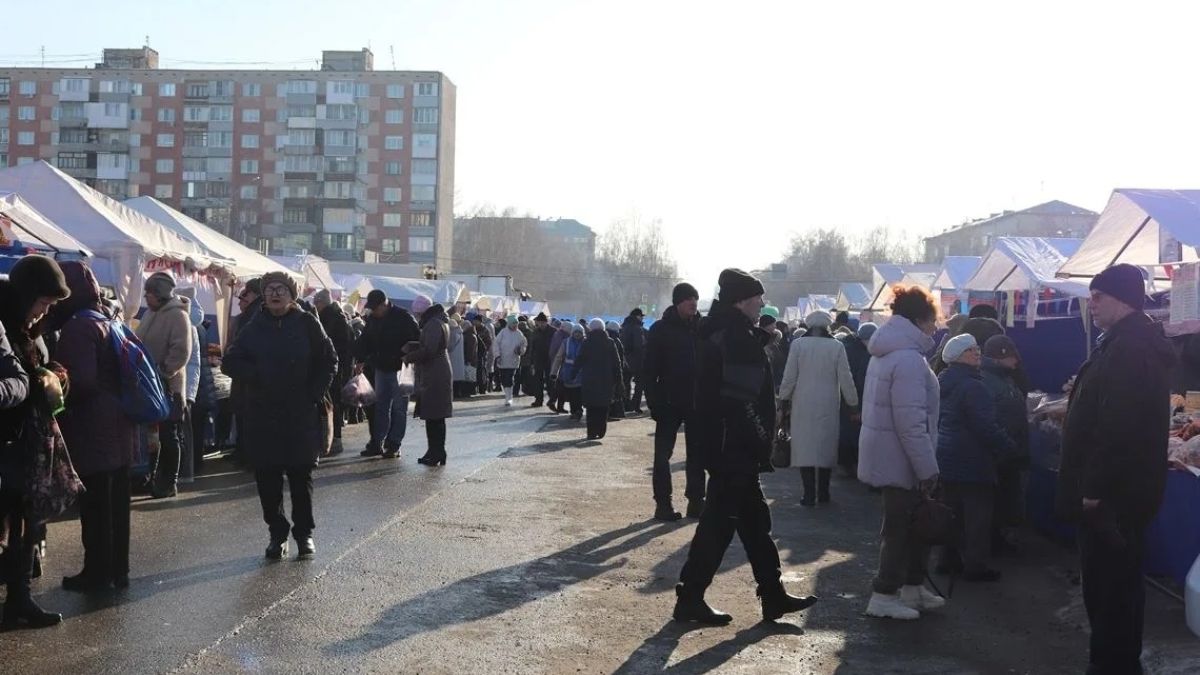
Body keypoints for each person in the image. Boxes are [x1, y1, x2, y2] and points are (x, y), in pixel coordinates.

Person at [673, 269, 817, 626]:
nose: (762, 305)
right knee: (719, 526)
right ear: (741, 301)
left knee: (754, 524)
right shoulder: (736, 338)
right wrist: (760, 440)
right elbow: (741, 401)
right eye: (757, 300)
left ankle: (772, 593)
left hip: (728, 445)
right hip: (734, 448)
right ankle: (691, 597)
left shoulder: (725, 332)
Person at [1057, 264, 1173, 675]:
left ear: (1121, 299)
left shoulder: (1130, 349)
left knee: (1111, 588)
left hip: (1113, 498)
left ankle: (1112, 665)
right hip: (1120, 493)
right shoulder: (1122, 344)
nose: (1091, 304)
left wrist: (1094, 488)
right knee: (1114, 586)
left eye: (1098, 297)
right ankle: (1116, 661)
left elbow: (1118, 427)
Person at [221, 272, 336, 560]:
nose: (274, 293)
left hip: (299, 413)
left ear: (292, 295)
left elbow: (329, 360)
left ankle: (304, 534)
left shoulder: (307, 322)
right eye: (270, 289)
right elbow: (230, 361)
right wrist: (256, 375)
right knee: (267, 478)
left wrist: (313, 393)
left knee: (301, 476)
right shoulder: (254, 324)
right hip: (263, 413)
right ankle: (277, 532)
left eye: (281, 289)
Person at [858, 285, 945, 621]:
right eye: (933, 320)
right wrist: (927, 468)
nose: (935, 327)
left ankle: (911, 586)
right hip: (902, 458)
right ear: (919, 320)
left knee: (911, 525)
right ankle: (884, 594)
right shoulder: (908, 358)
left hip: (892, 454)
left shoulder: (891, 352)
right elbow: (911, 422)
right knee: (900, 529)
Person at [49, 261, 137, 592]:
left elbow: (81, 381)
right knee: (118, 505)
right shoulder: (107, 319)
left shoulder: (78, 327)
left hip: (93, 428)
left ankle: (97, 573)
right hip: (119, 424)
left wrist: (55, 382)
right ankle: (118, 570)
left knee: (96, 506)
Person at [0, 255, 70, 628]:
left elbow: (31, 374)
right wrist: (36, 382)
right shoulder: (6, 325)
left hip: (26, 441)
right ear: (27, 295)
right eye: (42, 302)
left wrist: (54, 377)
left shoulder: (30, 330)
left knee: (25, 522)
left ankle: (20, 598)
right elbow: (19, 379)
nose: (44, 311)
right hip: (8, 440)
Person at [934, 333, 1017, 582]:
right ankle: (975, 565)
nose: (977, 353)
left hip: (947, 453)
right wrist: (1008, 446)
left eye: (976, 349)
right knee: (977, 516)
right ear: (959, 357)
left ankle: (947, 559)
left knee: (952, 511)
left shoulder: (944, 381)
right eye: (971, 350)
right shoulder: (974, 387)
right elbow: (985, 426)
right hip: (973, 457)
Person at [778, 310, 859, 506]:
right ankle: (823, 492)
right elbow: (846, 377)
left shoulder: (798, 345)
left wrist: (784, 398)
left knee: (805, 447)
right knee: (825, 446)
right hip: (828, 403)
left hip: (802, 402)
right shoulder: (837, 346)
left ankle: (808, 494)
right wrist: (853, 402)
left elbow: (789, 376)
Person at [643, 282, 704, 521]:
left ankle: (696, 502)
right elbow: (649, 370)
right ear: (678, 302)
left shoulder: (701, 328)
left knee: (697, 454)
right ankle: (663, 504)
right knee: (662, 456)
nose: (693, 303)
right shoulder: (661, 329)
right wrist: (654, 402)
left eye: (695, 299)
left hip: (697, 401)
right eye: (689, 299)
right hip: (668, 401)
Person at [135, 271, 193, 499]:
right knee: (152, 435)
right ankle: (150, 477)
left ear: (159, 294)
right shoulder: (151, 313)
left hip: (168, 386)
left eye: (149, 293)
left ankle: (169, 481)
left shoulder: (178, 316)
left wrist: (163, 372)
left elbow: (181, 351)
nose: (146, 297)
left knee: (169, 435)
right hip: (149, 384)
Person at [979, 335, 1031, 555]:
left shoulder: (1002, 377)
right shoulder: (989, 381)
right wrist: (1006, 443)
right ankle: (990, 544)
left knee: (1002, 499)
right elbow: (989, 420)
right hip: (999, 452)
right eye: (1012, 356)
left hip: (1006, 449)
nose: (1016, 361)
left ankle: (996, 539)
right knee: (996, 500)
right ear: (1000, 356)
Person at [356, 290, 419, 459]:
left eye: (376, 308)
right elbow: (365, 340)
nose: (374, 311)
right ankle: (377, 442)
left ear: (384, 304)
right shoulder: (373, 319)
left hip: (401, 369)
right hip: (381, 367)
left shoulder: (403, 317)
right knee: (380, 407)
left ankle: (394, 444)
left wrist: (406, 355)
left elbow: (416, 340)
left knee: (399, 408)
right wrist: (361, 358)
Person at [403, 295, 453, 466]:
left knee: (434, 416)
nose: (416, 316)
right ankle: (436, 451)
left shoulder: (432, 324)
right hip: (438, 370)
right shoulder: (439, 321)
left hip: (434, 372)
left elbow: (429, 350)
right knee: (435, 416)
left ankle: (436, 452)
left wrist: (410, 356)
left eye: (417, 313)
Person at [314, 289, 353, 456]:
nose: (316, 306)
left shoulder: (329, 319)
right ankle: (332, 439)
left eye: (317, 303)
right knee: (333, 404)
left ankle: (333, 440)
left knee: (331, 405)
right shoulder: (338, 318)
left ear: (321, 303)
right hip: (338, 369)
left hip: (334, 370)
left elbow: (334, 348)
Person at [229, 278, 263, 465]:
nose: (241, 299)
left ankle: (246, 454)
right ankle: (244, 452)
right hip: (250, 375)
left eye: (245, 294)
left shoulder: (253, 315)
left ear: (253, 294)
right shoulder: (258, 313)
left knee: (247, 416)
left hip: (248, 377)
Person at [837, 322, 876, 476]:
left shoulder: (845, 347)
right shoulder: (864, 353)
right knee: (854, 432)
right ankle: (853, 464)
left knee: (845, 430)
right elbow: (862, 379)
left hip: (842, 395)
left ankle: (845, 463)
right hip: (857, 396)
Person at [577, 319, 622, 440]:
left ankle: (591, 432)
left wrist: (573, 373)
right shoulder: (610, 342)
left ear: (590, 328)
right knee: (603, 406)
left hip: (589, 379)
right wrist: (619, 380)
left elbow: (580, 359)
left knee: (591, 408)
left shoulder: (586, 342)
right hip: (606, 379)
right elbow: (617, 363)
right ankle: (601, 430)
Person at [551, 323, 586, 420]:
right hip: (568, 372)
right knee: (571, 394)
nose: (577, 334)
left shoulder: (585, 343)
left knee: (578, 393)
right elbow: (559, 357)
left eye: (579, 333)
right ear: (572, 333)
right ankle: (574, 411)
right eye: (575, 332)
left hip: (581, 373)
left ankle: (578, 410)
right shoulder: (566, 342)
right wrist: (554, 372)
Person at [491, 316, 528, 407]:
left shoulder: (519, 334)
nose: (515, 326)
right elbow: (496, 343)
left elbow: (524, 344)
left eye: (516, 324)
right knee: (503, 379)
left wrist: (520, 351)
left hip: (513, 360)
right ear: (509, 324)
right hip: (502, 359)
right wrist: (497, 355)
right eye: (513, 324)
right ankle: (507, 394)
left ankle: (509, 397)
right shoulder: (503, 333)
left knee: (509, 378)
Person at [620, 308, 647, 414]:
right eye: (641, 316)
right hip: (636, 360)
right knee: (639, 384)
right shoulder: (637, 328)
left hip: (624, 359)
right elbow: (638, 346)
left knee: (626, 383)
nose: (642, 318)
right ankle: (635, 405)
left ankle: (625, 404)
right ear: (637, 316)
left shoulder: (624, 327)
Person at [527, 313, 554, 408]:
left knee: (550, 381)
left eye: (543, 322)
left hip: (550, 360)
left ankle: (552, 400)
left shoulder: (553, 331)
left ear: (546, 322)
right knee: (538, 381)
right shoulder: (535, 332)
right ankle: (538, 399)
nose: (541, 324)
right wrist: (531, 362)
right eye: (539, 322)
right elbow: (532, 347)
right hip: (538, 359)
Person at [605, 320, 629, 420]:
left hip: (607, 370)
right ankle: (614, 413)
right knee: (615, 392)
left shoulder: (607, 340)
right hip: (614, 370)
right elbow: (619, 357)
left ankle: (611, 413)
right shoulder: (615, 341)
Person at [547, 320, 572, 412]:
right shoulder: (563, 337)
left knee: (560, 386)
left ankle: (556, 404)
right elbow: (559, 352)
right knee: (561, 387)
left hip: (557, 363)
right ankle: (553, 402)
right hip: (561, 365)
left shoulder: (558, 334)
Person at [447, 311, 467, 399]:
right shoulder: (460, 332)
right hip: (459, 357)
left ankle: (455, 393)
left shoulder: (453, 333)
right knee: (457, 376)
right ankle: (458, 393)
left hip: (453, 357)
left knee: (454, 376)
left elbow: (450, 346)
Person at [459, 313, 478, 400]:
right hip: (472, 359)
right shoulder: (471, 334)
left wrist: (468, 359)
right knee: (469, 376)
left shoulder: (469, 336)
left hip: (470, 360)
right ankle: (469, 392)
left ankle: (467, 392)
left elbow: (470, 349)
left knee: (468, 376)